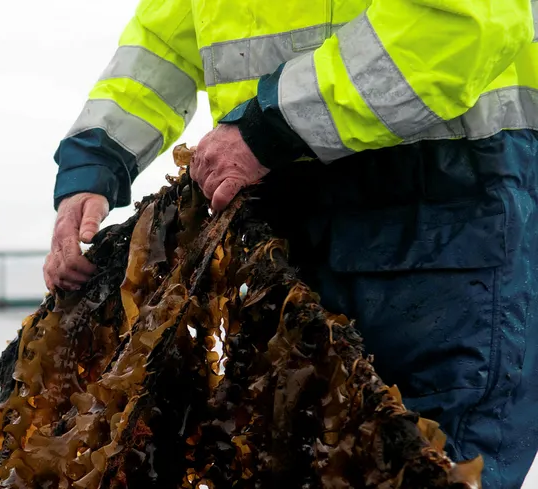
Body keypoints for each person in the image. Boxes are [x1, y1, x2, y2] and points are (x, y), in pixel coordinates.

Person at [43, 1, 538, 487]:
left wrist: (272, 127)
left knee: (435, 463)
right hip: (279, 233)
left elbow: (463, 21)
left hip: (447, 209)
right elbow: (162, 43)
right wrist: (96, 163)